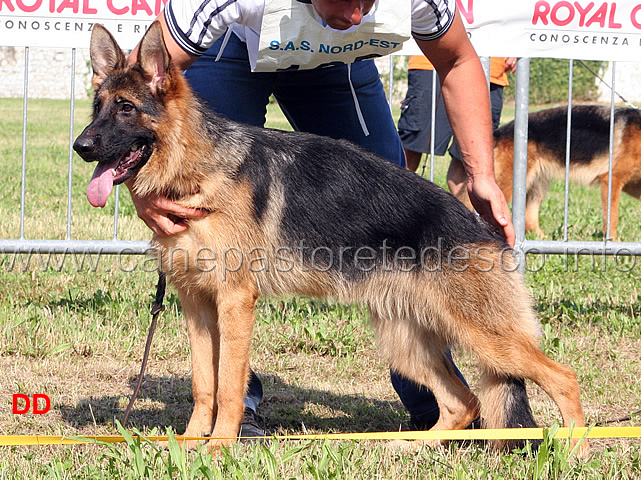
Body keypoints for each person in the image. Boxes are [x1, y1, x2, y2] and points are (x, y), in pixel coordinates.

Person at [125, 0, 516, 438]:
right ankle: (234, 410)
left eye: (367, 2)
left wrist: (482, 175)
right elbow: (141, 99)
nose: (356, 15)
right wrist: (144, 187)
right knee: (216, 246)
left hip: (335, 58)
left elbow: (458, 58)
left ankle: (442, 403)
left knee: (398, 208)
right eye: (343, 0)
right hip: (228, 50)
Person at [397, 55, 516, 191]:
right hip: (432, 61)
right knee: (411, 148)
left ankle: (461, 212)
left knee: (473, 164)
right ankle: (391, 207)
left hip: (491, 68)